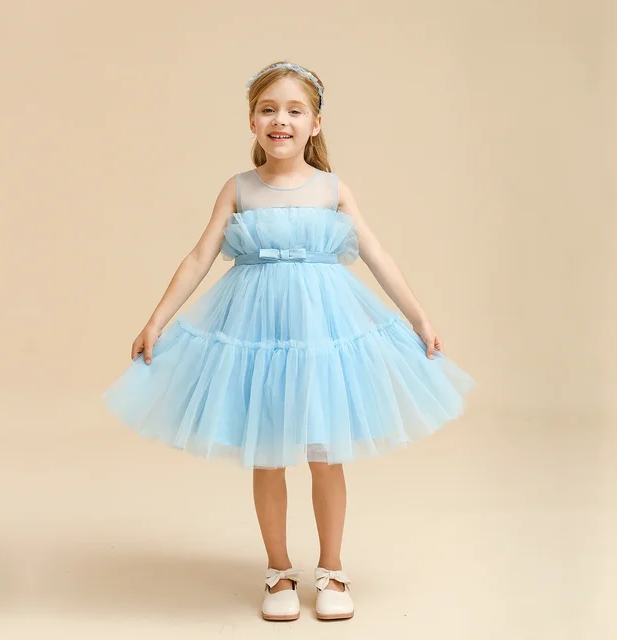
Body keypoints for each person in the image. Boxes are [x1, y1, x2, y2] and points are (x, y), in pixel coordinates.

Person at [101, 59, 478, 622]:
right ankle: (278, 571)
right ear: (252, 122)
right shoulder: (239, 188)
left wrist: (419, 317)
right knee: (269, 451)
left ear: (315, 124)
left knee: (325, 453)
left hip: (322, 333)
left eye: (294, 111)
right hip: (257, 332)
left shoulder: (331, 188)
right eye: (268, 109)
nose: (281, 120)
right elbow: (200, 256)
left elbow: (376, 253)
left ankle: (332, 569)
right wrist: (156, 320)